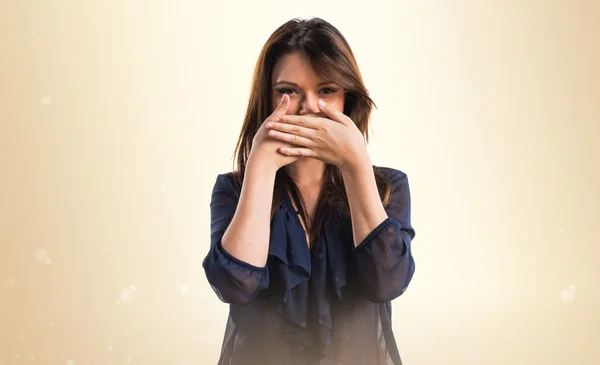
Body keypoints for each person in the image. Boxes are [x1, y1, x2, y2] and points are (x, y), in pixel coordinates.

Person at [203, 17, 416, 365]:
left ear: (348, 98)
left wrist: (355, 164)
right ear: (268, 98)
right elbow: (233, 285)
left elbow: (387, 281)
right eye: (288, 91)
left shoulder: (388, 187)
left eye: (327, 91)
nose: (308, 107)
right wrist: (261, 165)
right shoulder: (233, 189)